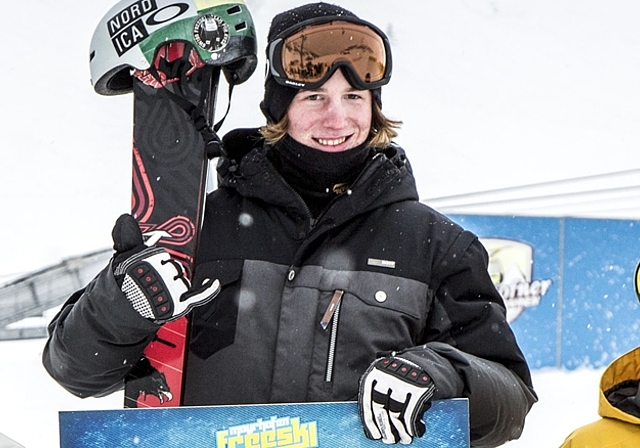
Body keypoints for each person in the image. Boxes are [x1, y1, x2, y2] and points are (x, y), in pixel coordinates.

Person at [43, 2, 537, 446]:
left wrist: (437, 372)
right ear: (278, 110)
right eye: (315, 98)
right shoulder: (198, 227)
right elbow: (72, 368)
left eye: (354, 98)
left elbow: (510, 400)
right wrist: (121, 303)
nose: (337, 119)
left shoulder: (435, 246)